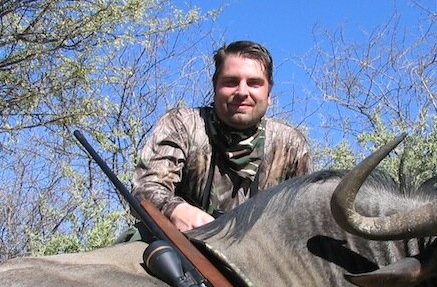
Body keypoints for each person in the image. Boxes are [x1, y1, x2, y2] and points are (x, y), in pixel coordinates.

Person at [132, 40, 312, 232]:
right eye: (231, 82)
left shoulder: (290, 144)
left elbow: (304, 216)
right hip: (180, 243)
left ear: (269, 95)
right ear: (215, 88)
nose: (242, 92)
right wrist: (175, 210)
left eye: (254, 83)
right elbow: (146, 187)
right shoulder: (183, 124)